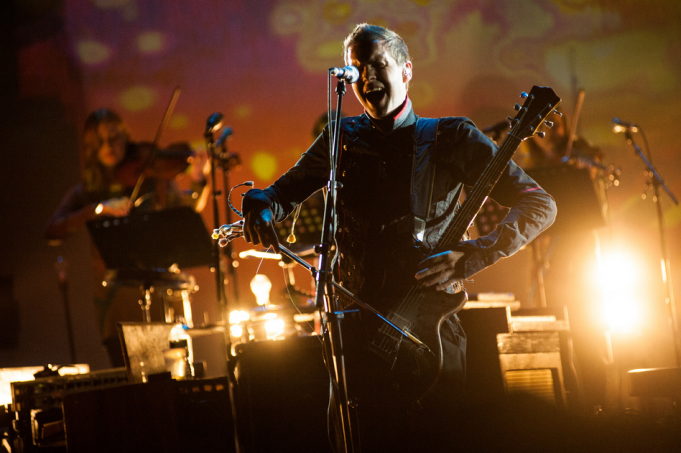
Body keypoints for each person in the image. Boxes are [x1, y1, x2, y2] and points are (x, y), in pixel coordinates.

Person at [241, 24, 557, 451]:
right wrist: (260, 203)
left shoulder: (451, 137)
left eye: (378, 64)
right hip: (355, 334)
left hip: (429, 333)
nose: (367, 77)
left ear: (406, 70)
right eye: (357, 69)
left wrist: (471, 257)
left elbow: (539, 205)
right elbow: (280, 193)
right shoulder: (341, 139)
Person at [45, 108, 209, 367]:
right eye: (100, 142)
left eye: (115, 137)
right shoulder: (88, 191)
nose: (109, 146)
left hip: (163, 292)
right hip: (116, 301)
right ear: (91, 149)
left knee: (174, 373)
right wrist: (98, 209)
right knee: (129, 376)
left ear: (125, 136)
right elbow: (52, 230)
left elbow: (189, 210)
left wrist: (199, 181)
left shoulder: (154, 177)